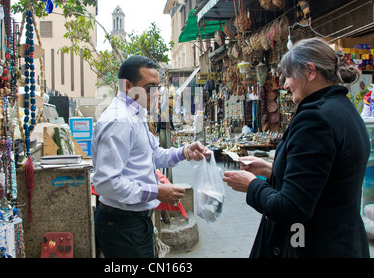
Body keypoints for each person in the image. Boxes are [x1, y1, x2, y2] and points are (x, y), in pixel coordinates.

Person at [223, 37, 371, 257]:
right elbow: (325, 179)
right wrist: (271, 170)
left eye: (290, 75)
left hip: (317, 245)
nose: (285, 84)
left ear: (311, 72)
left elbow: (292, 208)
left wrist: (252, 185)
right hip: (345, 242)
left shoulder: (315, 119)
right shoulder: (344, 109)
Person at [92, 55, 210, 258]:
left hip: (134, 222)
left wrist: (184, 152)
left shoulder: (135, 114)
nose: (156, 94)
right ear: (128, 86)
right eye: (150, 87)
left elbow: (153, 154)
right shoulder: (119, 121)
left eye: (158, 87)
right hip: (122, 225)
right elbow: (106, 183)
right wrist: (155, 192)